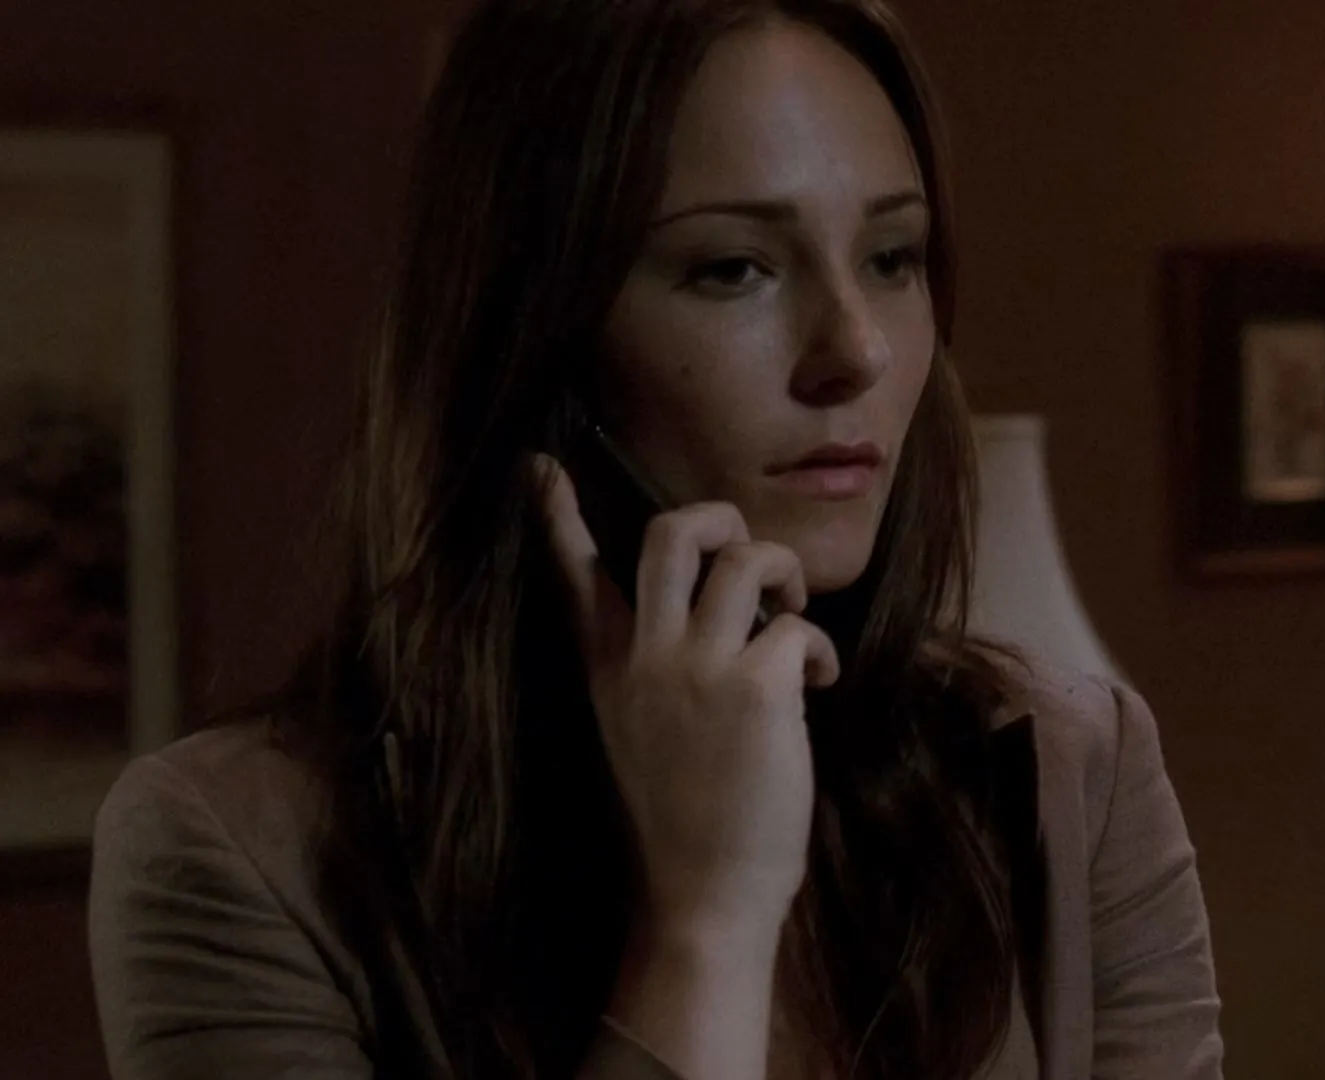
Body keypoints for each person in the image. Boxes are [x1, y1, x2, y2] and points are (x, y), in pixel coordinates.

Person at [86, 1, 1223, 1078]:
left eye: (893, 258)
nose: (858, 350)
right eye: (734, 268)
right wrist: (706, 926)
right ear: (535, 335)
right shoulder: (236, 853)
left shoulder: (1070, 779)